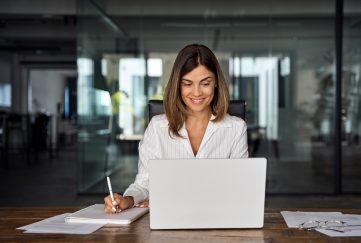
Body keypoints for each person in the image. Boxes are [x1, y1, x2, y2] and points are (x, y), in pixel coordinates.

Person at [104, 44, 248, 213]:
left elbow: (240, 188)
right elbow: (144, 183)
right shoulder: (157, 127)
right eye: (187, 84)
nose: (196, 93)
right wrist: (127, 200)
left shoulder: (236, 128)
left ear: (215, 82)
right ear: (178, 85)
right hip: (169, 219)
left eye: (205, 83)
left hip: (219, 217)